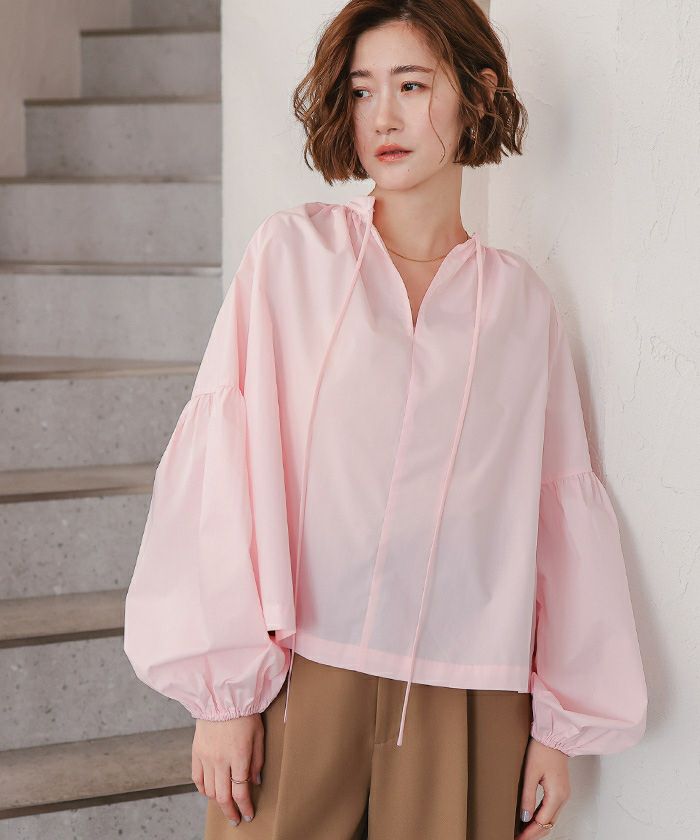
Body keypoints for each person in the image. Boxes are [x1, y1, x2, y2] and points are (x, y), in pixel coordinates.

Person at [123, 2, 648, 838]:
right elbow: (226, 466)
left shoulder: (520, 307)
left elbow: (555, 514)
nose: (384, 118)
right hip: (300, 675)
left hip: (466, 692)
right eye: (363, 90)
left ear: (477, 94)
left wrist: (560, 729)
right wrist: (222, 699)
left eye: (411, 85)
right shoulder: (290, 258)